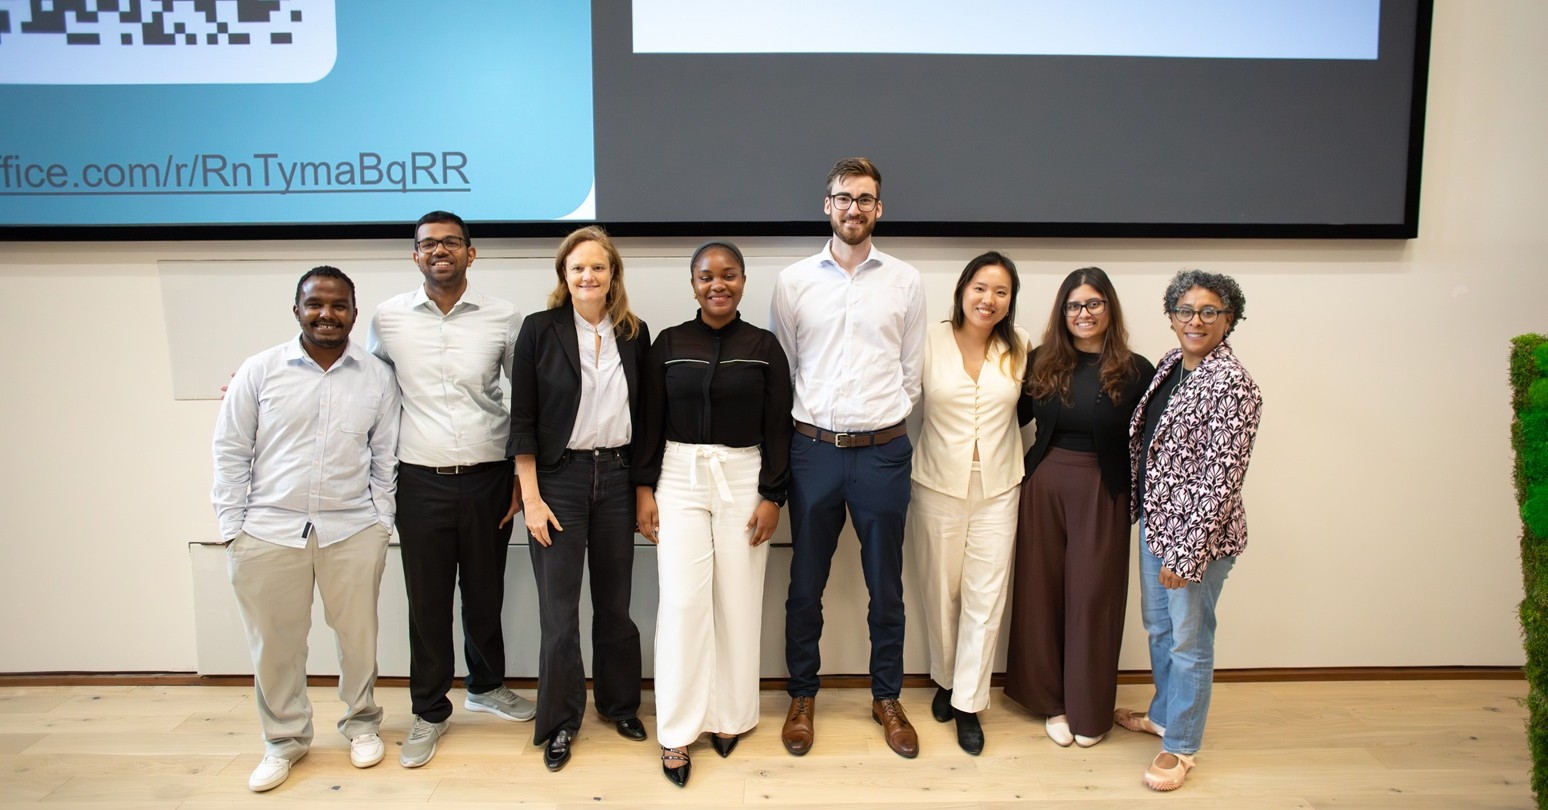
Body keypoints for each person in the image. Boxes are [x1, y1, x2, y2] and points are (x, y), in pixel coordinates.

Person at [212, 266, 401, 792]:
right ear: (297, 310)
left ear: (354, 314)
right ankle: (284, 741)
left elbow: (385, 458)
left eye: (338, 305)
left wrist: (380, 524)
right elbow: (230, 451)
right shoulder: (260, 371)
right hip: (268, 531)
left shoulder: (377, 377)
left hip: (352, 530)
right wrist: (233, 529)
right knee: (276, 646)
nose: (326, 314)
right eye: (315, 304)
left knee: (358, 639)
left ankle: (362, 725)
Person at [770, 156, 927, 759]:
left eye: (864, 198)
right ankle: (802, 695)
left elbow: (910, 373)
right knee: (804, 585)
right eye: (843, 197)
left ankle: (886, 696)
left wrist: (877, 422)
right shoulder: (793, 281)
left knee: (886, 587)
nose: (853, 208)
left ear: (878, 208)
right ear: (827, 205)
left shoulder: (906, 281)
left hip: (883, 454)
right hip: (812, 453)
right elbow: (785, 370)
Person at [367, 211, 530, 769]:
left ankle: (486, 687)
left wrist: (519, 478)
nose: (440, 250)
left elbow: (525, 401)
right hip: (419, 480)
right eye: (428, 244)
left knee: (486, 593)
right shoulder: (388, 319)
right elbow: (366, 387)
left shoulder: (504, 317)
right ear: (415, 256)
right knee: (428, 602)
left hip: (489, 477)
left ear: (471, 252)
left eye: (451, 242)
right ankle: (429, 711)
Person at [634, 241, 794, 787]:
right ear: (693, 283)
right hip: (678, 476)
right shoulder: (669, 343)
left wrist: (774, 495)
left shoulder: (765, 346)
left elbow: (779, 426)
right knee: (681, 604)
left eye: (728, 275)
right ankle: (677, 732)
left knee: (737, 599)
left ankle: (730, 716)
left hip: (745, 479)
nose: (717, 285)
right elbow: (649, 422)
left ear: (744, 281)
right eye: (706, 276)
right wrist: (643, 489)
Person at [1115, 269, 1263, 791]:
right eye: (1185, 311)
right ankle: (1164, 713)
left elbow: (1221, 479)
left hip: (1196, 540)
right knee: (1159, 628)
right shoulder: (1171, 364)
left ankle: (1180, 746)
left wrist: (1187, 554)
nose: (1195, 321)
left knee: (1190, 641)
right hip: (1157, 524)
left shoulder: (1234, 386)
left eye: (1209, 312)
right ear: (1172, 316)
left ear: (1230, 319)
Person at [511, 225, 650, 772]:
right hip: (559, 482)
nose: (587, 276)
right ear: (563, 278)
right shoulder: (539, 331)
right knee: (559, 613)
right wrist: (532, 497)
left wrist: (643, 489)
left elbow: (648, 422)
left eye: (598, 267)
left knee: (616, 606)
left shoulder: (635, 334)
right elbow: (521, 422)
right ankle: (561, 722)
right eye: (577, 269)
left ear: (613, 274)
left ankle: (619, 706)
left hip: (616, 477)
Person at [1002, 266, 1155, 749]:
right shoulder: (1041, 360)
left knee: (1093, 598)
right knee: (1042, 592)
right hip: (1043, 485)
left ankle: (1089, 708)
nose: (1083, 313)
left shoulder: (1136, 370)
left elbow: (1154, 442)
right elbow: (1007, 416)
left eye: (1093, 304)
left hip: (1103, 490)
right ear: (1062, 312)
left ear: (1109, 309)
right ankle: (1054, 702)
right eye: (1074, 306)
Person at [908, 251, 1028, 756]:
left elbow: (1028, 412)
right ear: (962, 289)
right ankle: (945, 678)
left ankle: (969, 703)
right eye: (981, 288)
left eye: (1001, 292)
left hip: (999, 486)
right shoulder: (927, 341)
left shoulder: (1019, 347)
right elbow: (900, 402)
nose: (989, 300)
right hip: (936, 482)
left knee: (986, 596)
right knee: (941, 591)